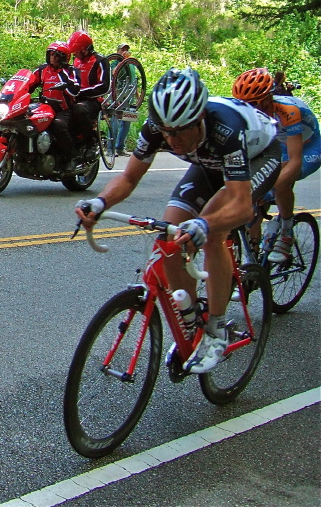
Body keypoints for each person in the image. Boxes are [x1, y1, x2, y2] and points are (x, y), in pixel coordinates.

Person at [74, 68, 280, 374]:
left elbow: (241, 207)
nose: (173, 140)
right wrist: (100, 202)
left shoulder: (226, 129)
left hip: (257, 157)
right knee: (170, 239)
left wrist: (205, 225)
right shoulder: (156, 129)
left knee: (212, 232)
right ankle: (193, 324)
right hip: (209, 162)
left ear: (199, 118)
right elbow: (129, 178)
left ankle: (217, 329)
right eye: (166, 132)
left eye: (180, 131)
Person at [231, 68, 321, 261]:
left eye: (252, 104)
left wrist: (270, 183)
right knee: (253, 195)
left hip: (308, 147)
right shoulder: (246, 114)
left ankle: (287, 232)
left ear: (267, 99)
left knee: (280, 183)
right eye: (243, 104)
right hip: (279, 146)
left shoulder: (288, 110)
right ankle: (253, 263)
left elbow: (295, 160)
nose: (248, 109)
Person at [18, 40, 80, 168]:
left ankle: (71, 157)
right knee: (24, 120)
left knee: (58, 124)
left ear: (64, 58)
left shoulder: (70, 71)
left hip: (63, 109)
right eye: (51, 54)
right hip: (44, 107)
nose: (53, 58)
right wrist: (17, 92)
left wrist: (64, 81)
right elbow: (29, 84)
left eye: (57, 55)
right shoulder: (42, 70)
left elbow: (75, 91)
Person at [67, 31, 111, 158]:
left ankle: (91, 141)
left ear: (85, 50)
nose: (74, 54)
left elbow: (104, 86)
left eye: (76, 51)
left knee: (79, 109)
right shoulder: (76, 61)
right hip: (76, 98)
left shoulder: (101, 61)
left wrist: (82, 92)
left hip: (93, 101)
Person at [111, 44, 135, 156]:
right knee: (115, 120)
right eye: (122, 49)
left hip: (129, 96)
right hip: (117, 95)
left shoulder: (131, 64)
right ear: (118, 51)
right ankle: (110, 149)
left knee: (128, 120)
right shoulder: (114, 63)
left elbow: (133, 79)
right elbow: (113, 73)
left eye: (126, 49)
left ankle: (120, 147)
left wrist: (137, 94)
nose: (125, 51)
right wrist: (121, 61)